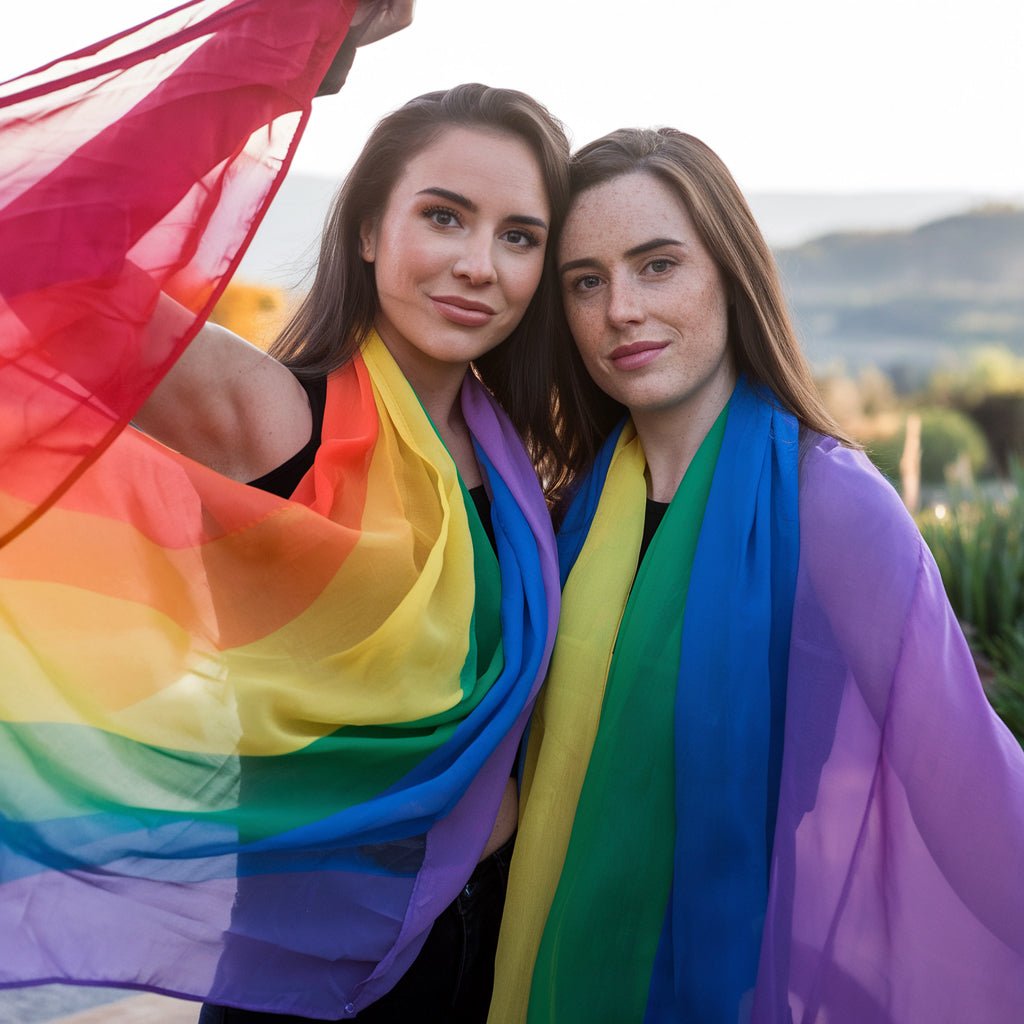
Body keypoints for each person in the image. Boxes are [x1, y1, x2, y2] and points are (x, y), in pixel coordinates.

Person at [0, 2, 566, 1021]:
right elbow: (40, 254)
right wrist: (285, 48)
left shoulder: (529, 472)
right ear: (365, 229)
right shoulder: (276, 414)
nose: (480, 264)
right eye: (443, 216)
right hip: (300, 974)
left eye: (518, 236)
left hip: (495, 960)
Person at [488, 128, 1024, 1023]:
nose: (621, 308)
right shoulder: (563, 517)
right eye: (586, 281)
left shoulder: (835, 506)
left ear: (730, 274)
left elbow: (967, 793)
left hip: (730, 990)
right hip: (549, 974)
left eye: (658, 266)